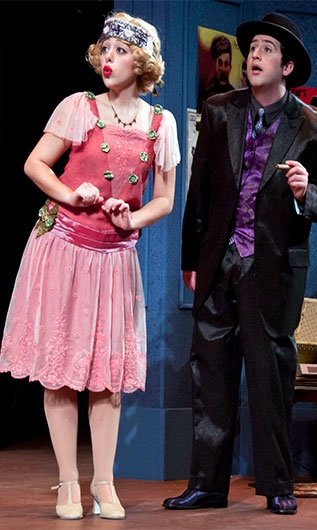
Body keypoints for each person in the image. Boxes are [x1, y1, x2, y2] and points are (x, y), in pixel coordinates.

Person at [163, 12, 317, 515]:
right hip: (218, 263)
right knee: (211, 375)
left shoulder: (316, 128)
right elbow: (198, 192)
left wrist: (306, 193)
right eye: (254, 48)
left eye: (268, 49)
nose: (256, 56)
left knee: (269, 378)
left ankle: (277, 483)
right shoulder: (219, 110)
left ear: (287, 66)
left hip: (272, 269)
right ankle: (207, 484)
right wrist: (191, 260)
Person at [0, 11, 180, 520]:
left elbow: (165, 199)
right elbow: (35, 163)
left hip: (113, 258)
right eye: (105, 49)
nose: (108, 58)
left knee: (106, 378)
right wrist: (69, 193)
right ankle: (67, 483)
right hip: (64, 248)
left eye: (121, 51)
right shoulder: (79, 107)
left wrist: (131, 219)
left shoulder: (161, 124)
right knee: (59, 371)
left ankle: (104, 482)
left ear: (141, 62)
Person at [197, 34, 235, 110]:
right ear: (216, 65)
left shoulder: (235, 96)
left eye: (226, 64)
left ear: (230, 67)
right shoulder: (206, 93)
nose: (223, 69)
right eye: (220, 63)